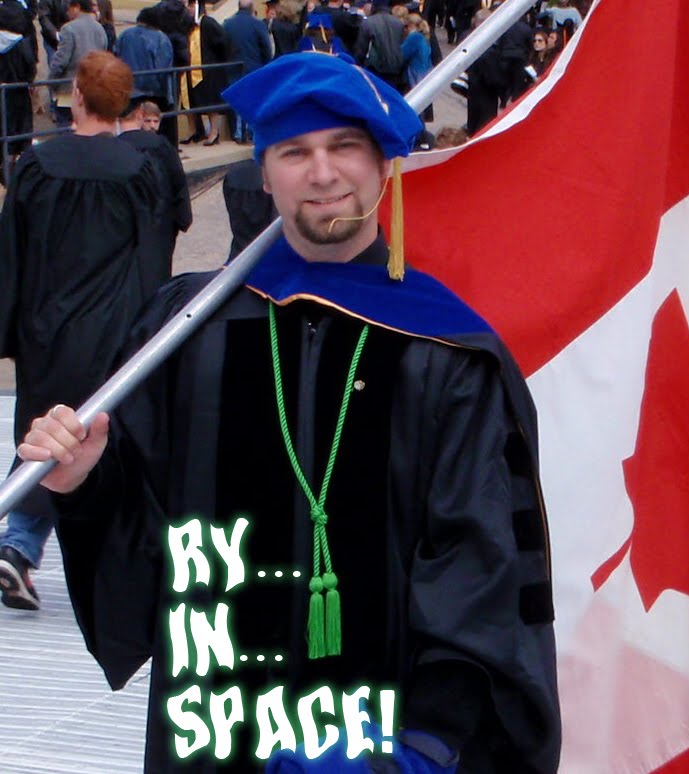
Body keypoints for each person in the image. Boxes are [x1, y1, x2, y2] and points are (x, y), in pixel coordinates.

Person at [15, 51, 560, 772]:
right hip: (216, 729)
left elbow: (480, 562)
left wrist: (426, 743)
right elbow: (148, 547)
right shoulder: (190, 329)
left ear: (384, 164)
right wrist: (86, 482)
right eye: (295, 151)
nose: (323, 173)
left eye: (344, 147)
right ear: (264, 173)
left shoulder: (447, 349)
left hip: (381, 741)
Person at [0, 51, 161, 611]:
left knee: (47, 434)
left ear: (79, 98)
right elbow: (151, 255)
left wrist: (10, 327)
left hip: (47, 327)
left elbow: (12, 253)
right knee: (107, 440)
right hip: (116, 328)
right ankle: (78, 556)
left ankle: (19, 544)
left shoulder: (36, 165)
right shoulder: (139, 168)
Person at [119, 96, 192, 273]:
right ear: (139, 115)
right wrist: (183, 217)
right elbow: (178, 180)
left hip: (126, 226)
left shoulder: (115, 147)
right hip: (161, 223)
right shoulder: (161, 145)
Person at [115, 6, 176, 147]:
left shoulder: (124, 35)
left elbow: (116, 58)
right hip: (154, 91)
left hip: (130, 90)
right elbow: (164, 67)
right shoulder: (160, 38)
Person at [48, 0, 107, 127]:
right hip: (92, 89)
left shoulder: (68, 28)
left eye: (68, 9)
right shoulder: (100, 28)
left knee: (65, 128)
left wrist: (51, 82)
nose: (67, 13)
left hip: (69, 90)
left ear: (77, 7)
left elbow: (61, 61)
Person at [180, 0, 230, 146]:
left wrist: (215, 60)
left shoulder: (208, 23)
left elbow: (223, 43)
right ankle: (193, 131)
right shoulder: (186, 24)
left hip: (208, 70)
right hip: (190, 69)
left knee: (209, 102)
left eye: (191, 5)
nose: (188, 8)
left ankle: (214, 132)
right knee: (189, 102)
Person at [223, 0, 272, 143]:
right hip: (254, 67)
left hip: (233, 67)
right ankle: (249, 132)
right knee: (252, 101)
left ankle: (238, 132)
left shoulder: (227, 24)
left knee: (236, 100)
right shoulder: (258, 24)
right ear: (252, 8)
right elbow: (266, 48)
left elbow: (223, 46)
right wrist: (266, 65)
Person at [0, 0, 37, 166]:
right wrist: (30, 80)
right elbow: (30, 63)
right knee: (19, 124)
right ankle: (16, 158)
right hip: (18, 87)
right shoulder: (22, 42)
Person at [355, 0, 404, 90]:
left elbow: (361, 50)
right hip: (396, 69)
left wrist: (358, 65)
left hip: (376, 69)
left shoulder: (368, 23)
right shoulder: (398, 23)